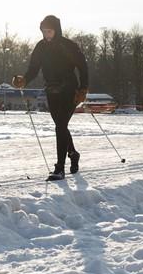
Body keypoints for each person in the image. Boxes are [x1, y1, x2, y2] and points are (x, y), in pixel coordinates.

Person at [13, 14, 89, 180]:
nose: (46, 34)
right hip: (51, 90)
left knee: (60, 126)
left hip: (70, 90)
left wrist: (83, 88)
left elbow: (83, 67)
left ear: (56, 30)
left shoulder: (68, 46)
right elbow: (33, 68)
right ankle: (73, 153)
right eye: (44, 31)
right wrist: (24, 79)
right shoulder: (41, 47)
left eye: (49, 31)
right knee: (60, 126)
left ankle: (59, 168)